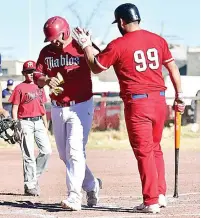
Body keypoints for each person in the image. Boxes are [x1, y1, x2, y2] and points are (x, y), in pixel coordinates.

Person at [72, 3, 186, 214]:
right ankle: (160, 194)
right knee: (155, 148)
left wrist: (86, 45)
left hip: (138, 103)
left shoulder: (118, 44)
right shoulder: (157, 40)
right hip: (159, 100)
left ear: (122, 22)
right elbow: (172, 69)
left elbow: (96, 67)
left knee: (144, 152)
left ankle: (151, 200)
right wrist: (179, 96)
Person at [34, 16, 102, 211]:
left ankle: (74, 196)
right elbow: (37, 76)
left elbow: (99, 63)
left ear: (65, 32)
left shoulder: (79, 46)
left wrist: (89, 44)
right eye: (50, 39)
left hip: (80, 105)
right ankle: (91, 184)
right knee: (65, 156)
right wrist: (46, 79)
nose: (54, 42)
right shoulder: (46, 52)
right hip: (57, 106)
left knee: (74, 150)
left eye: (56, 37)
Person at [9, 60, 52, 196]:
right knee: (28, 155)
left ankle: (33, 178)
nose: (31, 74)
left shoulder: (40, 87)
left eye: (33, 71)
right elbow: (14, 108)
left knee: (47, 151)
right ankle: (30, 185)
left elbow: (43, 107)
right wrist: (16, 124)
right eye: (28, 72)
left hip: (39, 121)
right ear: (23, 74)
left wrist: (46, 125)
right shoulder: (19, 88)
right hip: (25, 122)